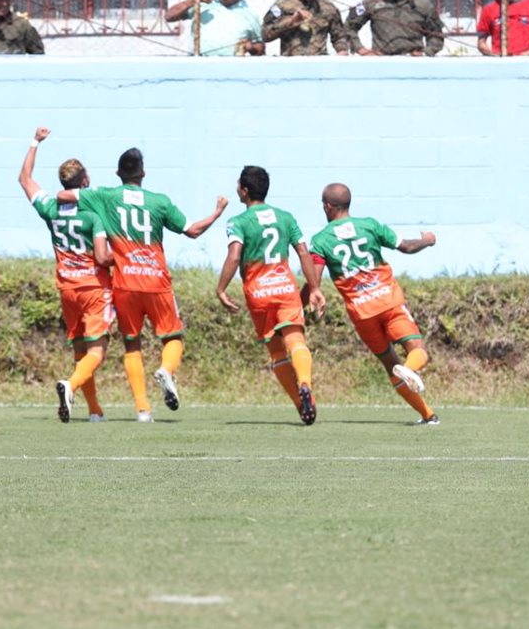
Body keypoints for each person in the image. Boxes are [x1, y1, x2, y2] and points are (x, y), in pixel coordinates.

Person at [57, 149, 227, 422]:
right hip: (156, 282)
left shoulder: (106, 196)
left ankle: (143, 409)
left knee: (131, 345)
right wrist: (217, 213)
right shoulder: (159, 202)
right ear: (143, 173)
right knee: (173, 338)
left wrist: (88, 198)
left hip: (124, 284)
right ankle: (166, 370)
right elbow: (193, 230)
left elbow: (63, 196)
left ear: (118, 174)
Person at [300, 183, 439, 425]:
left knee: (390, 364)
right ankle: (411, 369)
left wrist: (301, 303)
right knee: (417, 351)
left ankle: (428, 415)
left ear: (327, 206)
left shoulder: (321, 240)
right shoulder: (370, 225)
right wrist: (426, 240)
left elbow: (314, 280)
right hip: (389, 302)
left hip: (362, 314)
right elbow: (406, 247)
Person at [215, 166, 327, 424]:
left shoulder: (238, 222)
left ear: (244, 190)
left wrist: (221, 288)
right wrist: (315, 288)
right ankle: (306, 383)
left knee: (277, 353)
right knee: (297, 341)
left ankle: (301, 405)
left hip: (258, 294)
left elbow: (234, 256)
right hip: (285, 290)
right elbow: (303, 251)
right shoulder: (285, 217)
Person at [17, 126, 114, 423]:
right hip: (93, 288)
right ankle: (70, 386)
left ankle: (94, 411)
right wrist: (122, 254)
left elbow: (24, 178)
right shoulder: (92, 215)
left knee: (79, 351)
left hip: (67, 288)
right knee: (97, 352)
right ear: (84, 182)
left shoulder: (51, 209)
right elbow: (101, 256)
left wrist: (35, 142)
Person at [165, 0, 265, 56]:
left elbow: (261, 48)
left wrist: (251, 47)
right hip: (198, 67)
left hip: (232, 71)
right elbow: (169, 16)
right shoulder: (202, 2)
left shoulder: (249, 14)